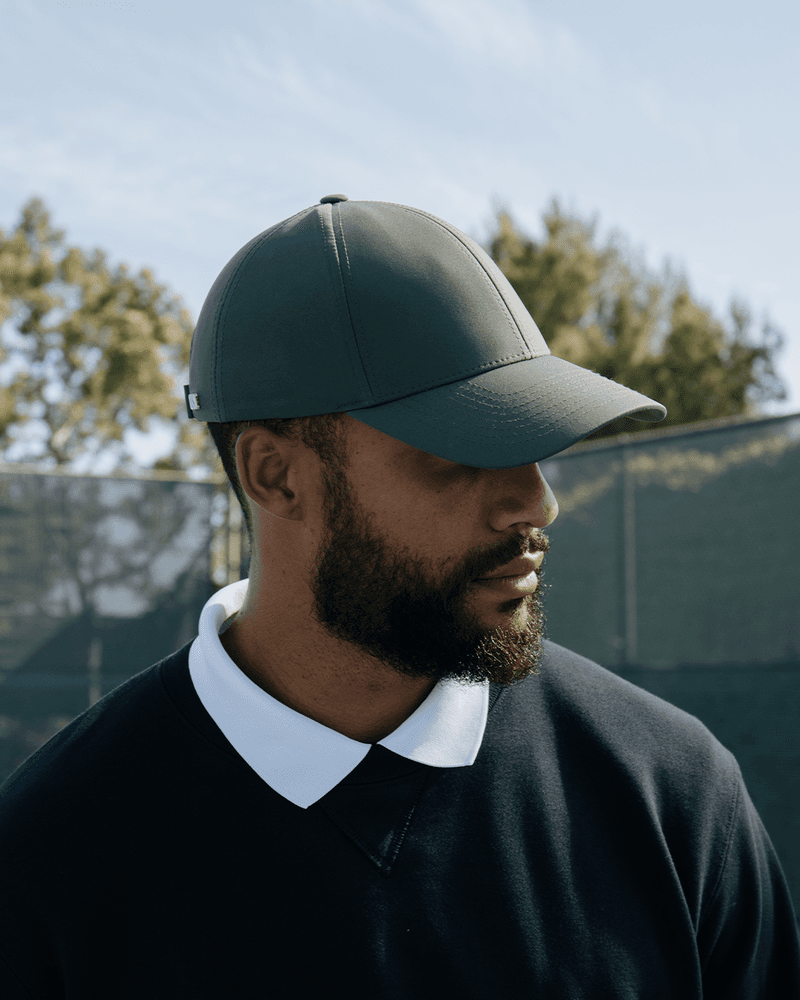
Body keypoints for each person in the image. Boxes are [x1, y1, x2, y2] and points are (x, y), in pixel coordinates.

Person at [1, 194, 797, 999]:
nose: (537, 502)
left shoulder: (672, 793)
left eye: (536, 446)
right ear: (275, 475)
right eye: (462, 452)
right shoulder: (49, 857)